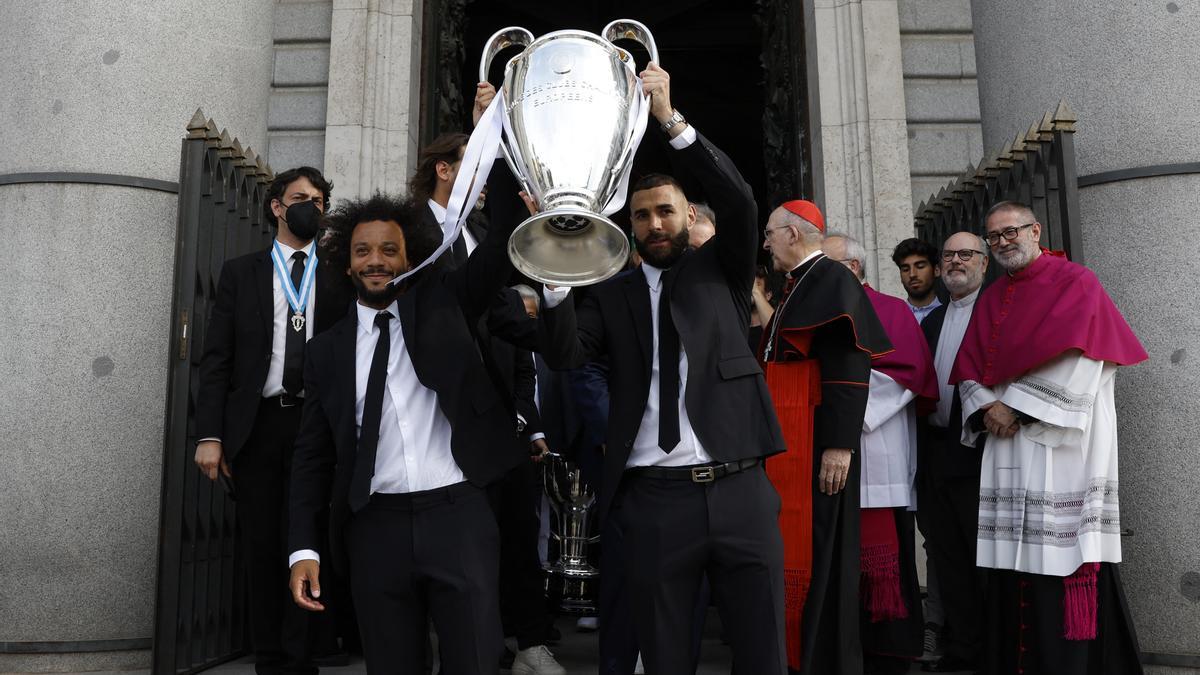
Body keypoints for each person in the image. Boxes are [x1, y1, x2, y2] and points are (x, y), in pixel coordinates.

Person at [538, 62, 790, 674]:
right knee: (665, 652)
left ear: (688, 219)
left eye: (667, 212)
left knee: (761, 650)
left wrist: (670, 121)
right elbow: (569, 354)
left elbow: (737, 197)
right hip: (653, 499)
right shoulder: (608, 291)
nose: (655, 224)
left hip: (739, 487)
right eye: (643, 215)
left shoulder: (723, 271)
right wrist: (554, 280)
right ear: (629, 225)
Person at [285, 151, 564, 672]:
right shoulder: (326, 351)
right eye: (363, 251)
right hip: (374, 528)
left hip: (459, 516)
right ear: (346, 263)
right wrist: (303, 547)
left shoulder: (447, 303)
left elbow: (502, 236)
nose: (376, 261)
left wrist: (497, 141)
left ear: (409, 257)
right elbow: (311, 459)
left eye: (389, 250)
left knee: (476, 661)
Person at [951, 201, 1148, 674]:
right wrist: (986, 407)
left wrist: (1013, 407)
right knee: (1012, 564)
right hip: (1007, 444)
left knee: (1057, 557)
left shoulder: (1077, 282)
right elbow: (969, 366)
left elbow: (1081, 359)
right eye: (993, 236)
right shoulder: (994, 296)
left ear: (1035, 230)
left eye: (1010, 231)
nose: (1002, 242)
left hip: (1060, 444)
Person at [194, 166, 351, 675]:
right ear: (277, 207)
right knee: (263, 546)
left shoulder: (338, 278)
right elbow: (217, 359)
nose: (314, 206)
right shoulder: (242, 273)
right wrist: (211, 435)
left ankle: (304, 655)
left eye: (321, 200)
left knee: (309, 541)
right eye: (302, 197)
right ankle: (270, 659)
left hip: (317, 427)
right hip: (259, 427)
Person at [759, 201, 891, 675]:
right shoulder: (797, 285)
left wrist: (840, 445)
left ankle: (822, 658)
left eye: (770, 233)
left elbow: (850, 367)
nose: (766, 242)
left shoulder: (833, 280)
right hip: (792, 433)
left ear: (793, 234)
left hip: (816, 438)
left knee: (823, 546)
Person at [825, 234, 937, 673]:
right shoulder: (818, 311)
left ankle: (888, 651)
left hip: (876, 448)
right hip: (823, 453)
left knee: (882, 563)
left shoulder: (889, 311)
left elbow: (910, 374)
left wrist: (842, 412)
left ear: (852, 268)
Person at [917, 231, 989, 673]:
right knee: (947, 557)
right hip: (936, 453)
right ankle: (963, 648)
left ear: (984, 262)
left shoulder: (998, 311)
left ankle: (993, 650)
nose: (956, 262)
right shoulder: (931, 321)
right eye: (949, 255)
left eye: (966, 254)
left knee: (982, 559)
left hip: (980, 455)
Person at [891, 238, 942, 324]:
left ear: (936, 270)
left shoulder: (949, 316)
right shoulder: (892, 318)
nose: (912, 274)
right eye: (905, 269)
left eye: (920, 266)